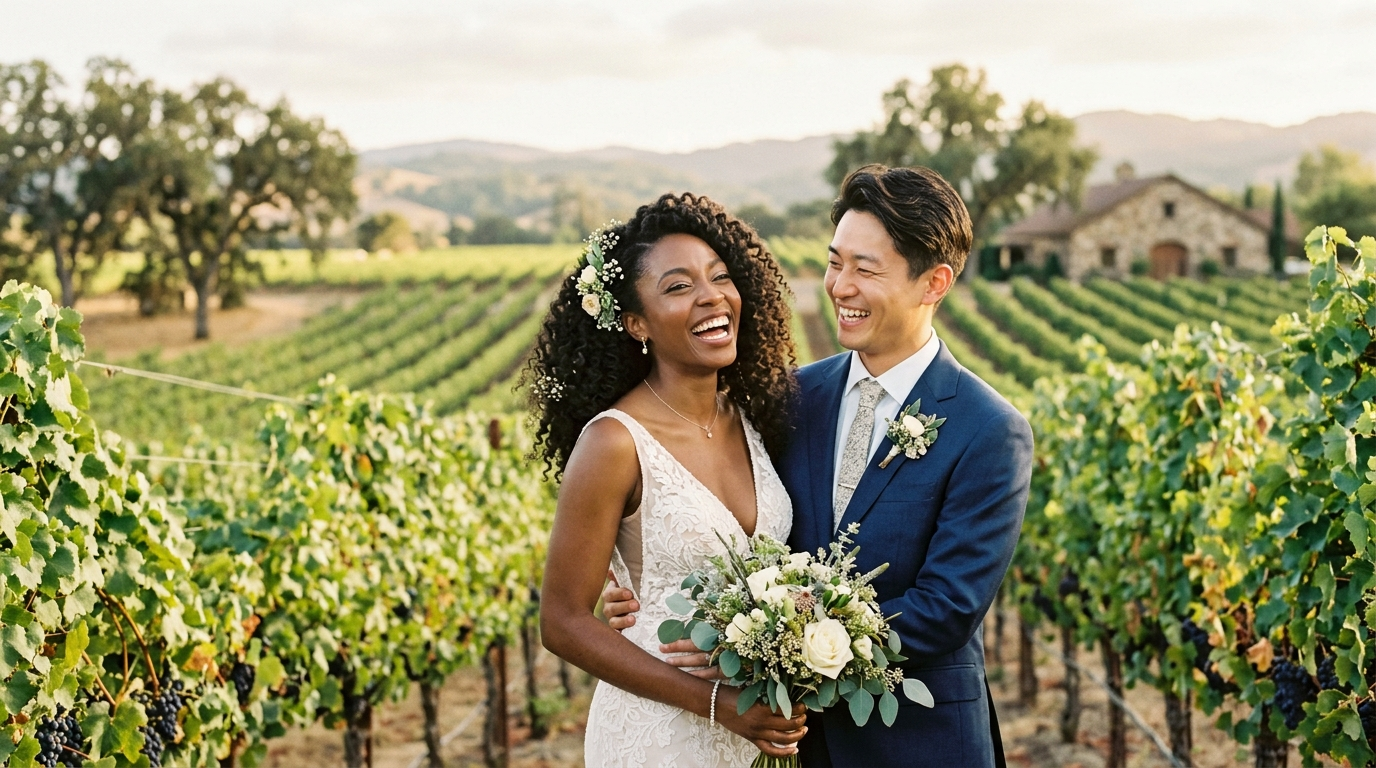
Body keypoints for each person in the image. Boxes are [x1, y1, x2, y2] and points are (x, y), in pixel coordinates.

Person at [604, 165, 1033, 767]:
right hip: (794, 747)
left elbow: (946, 609)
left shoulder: (989, 429)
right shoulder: (789, 398)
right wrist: (631, 587)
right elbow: (723, 519)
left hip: (919, 743)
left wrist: (768, 642)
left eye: (866, 269)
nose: (840, 286)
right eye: (835, 263)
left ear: (933, 282)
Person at [531, 193, 809, 767]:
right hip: (656, 732)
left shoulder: (756, 418)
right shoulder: (613, 442)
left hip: (753, 733)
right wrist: (716, 703)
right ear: (636, 323)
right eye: (678, 287)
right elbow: (562, 622)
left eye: (720, 277)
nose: (711, 296)